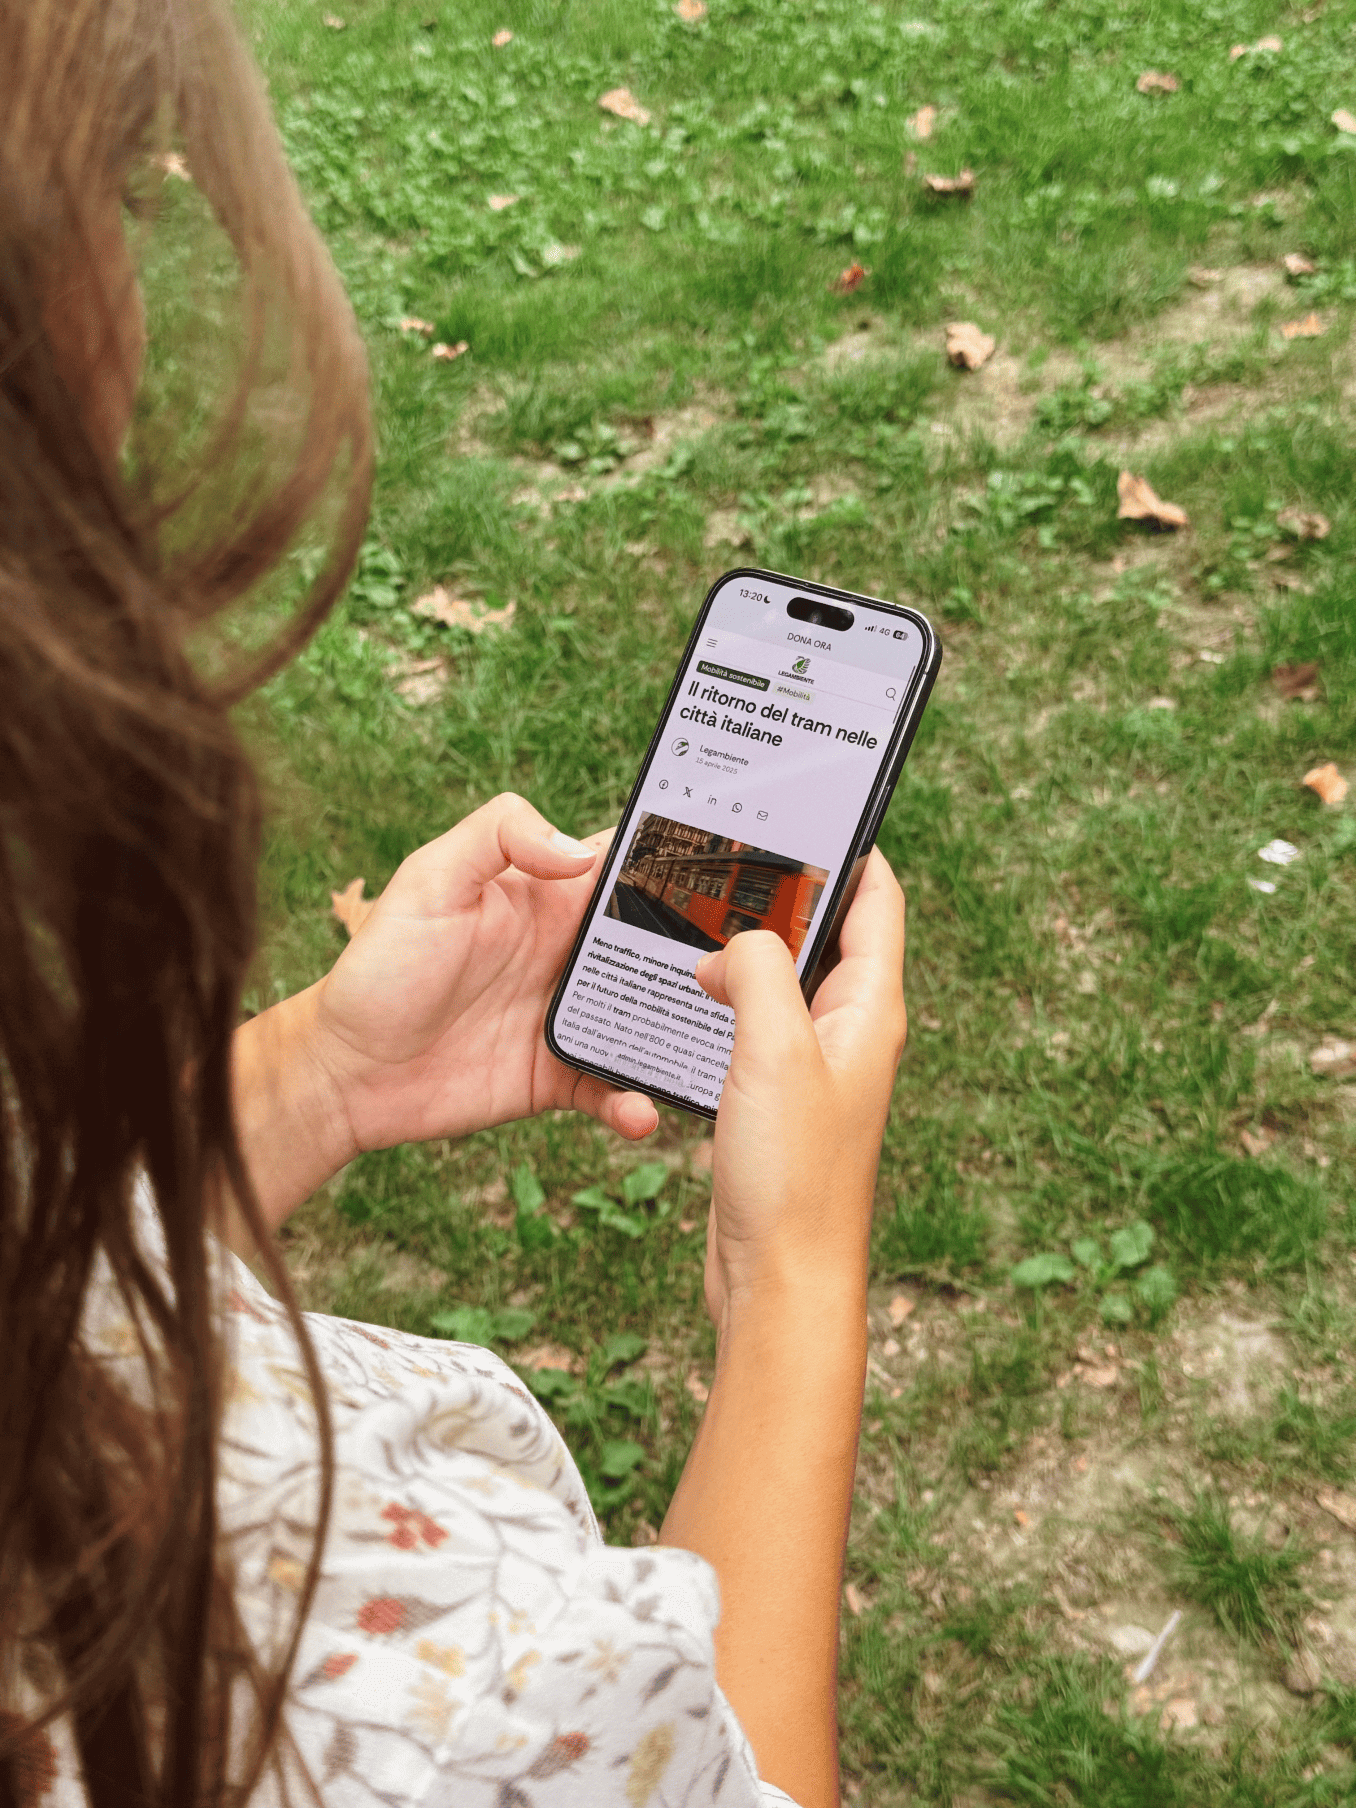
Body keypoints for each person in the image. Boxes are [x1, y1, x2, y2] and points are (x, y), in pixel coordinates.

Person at [0, 2, 908, 1805]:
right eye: (109, 187)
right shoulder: (315, 1683)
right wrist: (794, 1277)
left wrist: (325, 1078)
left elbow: (43, 1276)